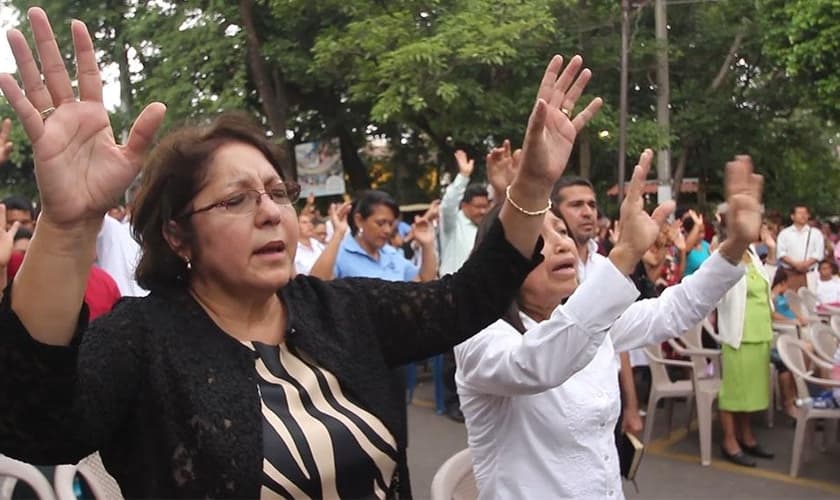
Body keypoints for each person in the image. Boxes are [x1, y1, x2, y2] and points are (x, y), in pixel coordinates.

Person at [0, 10, 602, 497]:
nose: (270, 212)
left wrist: (532, 185)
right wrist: (68, 224)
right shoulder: (141, 339)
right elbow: (36, 425)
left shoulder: (342, 312)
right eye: (236, 200)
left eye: (278, 193)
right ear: (178, 236)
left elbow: (468, 297)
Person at [455, 152, 763, 498]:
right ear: (500, 261)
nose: (562, 244)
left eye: (561, 230)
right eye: (538, 238)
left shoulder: (590, 321)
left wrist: (734, 246)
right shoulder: (479, 334)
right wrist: (625, 254)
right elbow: (534, 364)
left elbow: (672, 310)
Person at [777, 203, 825, 291]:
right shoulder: (784, 233)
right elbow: (781, 253)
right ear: (792, 216)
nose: (803, 216)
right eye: (799, 213)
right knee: (790, 297)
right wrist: (795, 264)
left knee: (810, 298)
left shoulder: (816, 233)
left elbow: (819, 254)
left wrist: (805, 264)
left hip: (809, 274)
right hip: (789, 274)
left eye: (805, 213)